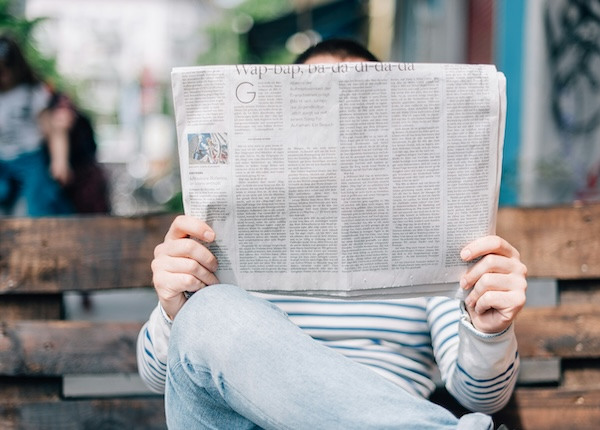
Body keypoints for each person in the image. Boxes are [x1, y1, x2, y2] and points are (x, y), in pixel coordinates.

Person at [137, 39, 527, 429]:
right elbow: (159, 377)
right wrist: (175, 310)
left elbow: (481, 395)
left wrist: (489, 330)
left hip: (391, 408)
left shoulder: (428, 234)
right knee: (210, 312)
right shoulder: (224, 234)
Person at [0, 35, 74, 216]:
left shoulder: (32, 92)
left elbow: (53, 130)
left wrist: (60, 161)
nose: (5, 76)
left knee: (37, 204)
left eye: (7, 69)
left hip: (30, 158)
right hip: (2, 160)